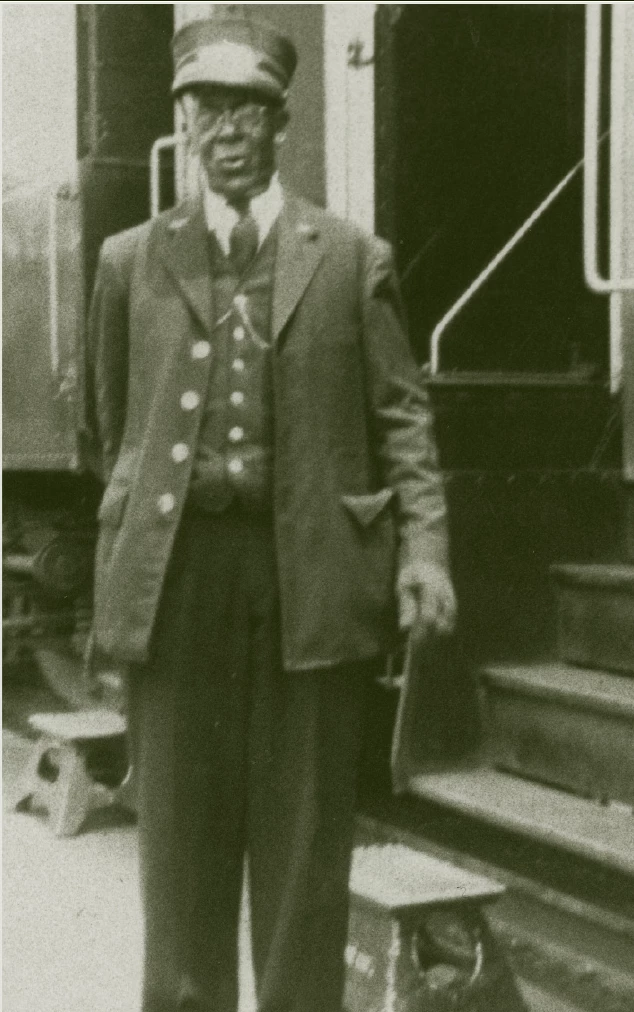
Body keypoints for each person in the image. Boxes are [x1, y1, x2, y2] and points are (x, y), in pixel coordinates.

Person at [85, 14, 456, 1012]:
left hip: (312, 584)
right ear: (183, 122)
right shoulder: (128, 261)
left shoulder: (349, 257)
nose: (228, 130)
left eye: (249, 110)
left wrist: (424, 549)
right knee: (180, 859)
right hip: (178, 585)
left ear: (282, 125)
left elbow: (402, 419)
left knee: (303, 863)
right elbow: (111, 427)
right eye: (207, 108)